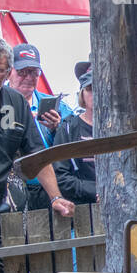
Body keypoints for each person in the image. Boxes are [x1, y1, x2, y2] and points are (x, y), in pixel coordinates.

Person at [0, 38, 74, 231]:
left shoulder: (16, 102)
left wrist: (56, 197)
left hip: (7, 208)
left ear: (7, 72)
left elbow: (37, 155)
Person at [9, 43, 68, 209]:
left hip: (49, 188)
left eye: (34, 72)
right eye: (22, 71)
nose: (29, 77)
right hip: (11, 189)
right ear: (9, 72)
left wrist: (57, 129)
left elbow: (72, 143)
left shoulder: (58, 106)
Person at [52, 67, 96, 204]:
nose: (96, 93)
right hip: (83, 210)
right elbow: (61, 177)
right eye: (90, 88)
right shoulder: (68, 128)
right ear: (82, 94)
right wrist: (96, 191)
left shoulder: (123, 128)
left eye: (102, 86)